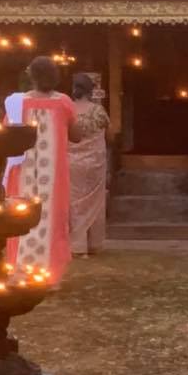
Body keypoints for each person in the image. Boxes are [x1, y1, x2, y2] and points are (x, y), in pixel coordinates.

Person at [3, 57, 81, 284]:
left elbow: (7, 133)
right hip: (53, 176)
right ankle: (49, 276)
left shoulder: (17, 104)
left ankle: (20, 272)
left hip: (23, 172)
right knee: (51, 218)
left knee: (21, 214)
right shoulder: (64, 102)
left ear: (31, 76)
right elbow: (77, 136)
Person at [68, 73, 111, 255]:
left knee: (73, 202)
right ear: (91, 90)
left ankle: (76, 245)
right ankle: (93, 243)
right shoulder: (97, 111)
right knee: (94, 202)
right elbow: (109, 131)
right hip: (94, 162)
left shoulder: (67, 109)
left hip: (70, 161)